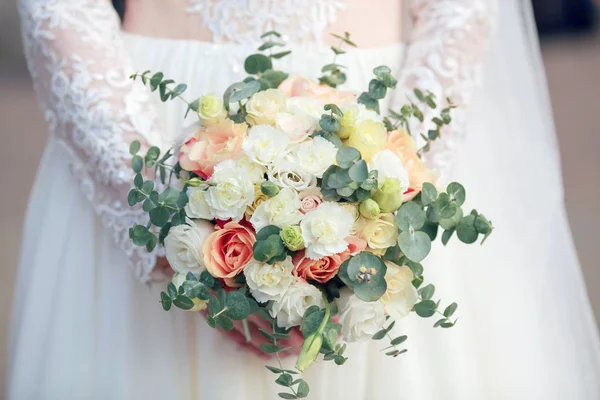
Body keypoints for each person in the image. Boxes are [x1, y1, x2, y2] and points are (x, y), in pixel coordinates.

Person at [8, 0, 600, 399]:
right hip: (153, 120)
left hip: (384, 117)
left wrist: (392, 193)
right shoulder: (148, 174)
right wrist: (158, 210)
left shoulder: (390, 175)